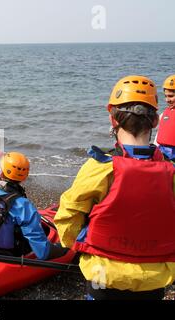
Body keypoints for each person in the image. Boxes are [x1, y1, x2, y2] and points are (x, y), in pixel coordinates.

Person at [54, 75, 175, 300]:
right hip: (154, 279)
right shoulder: (171, 172)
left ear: (113, 119)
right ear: (155, 121)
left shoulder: (100, 168)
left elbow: (67, 217)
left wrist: (80, 246)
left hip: (103, 274)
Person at [0, 152, 67, 260]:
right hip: (5, 254)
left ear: (2, 170)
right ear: (24, 176)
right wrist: (63, 248)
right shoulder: (23, 205)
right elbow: (42, 253)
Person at [154, 75, 175, 162]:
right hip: (163, 157)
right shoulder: (164, 114)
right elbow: (157, 139)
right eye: (166, 96)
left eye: (171, 96)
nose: (167, 100)